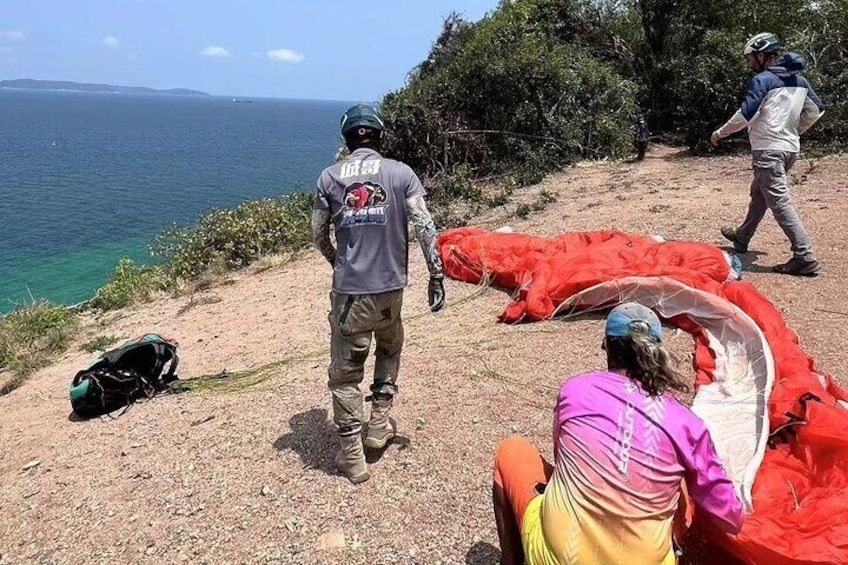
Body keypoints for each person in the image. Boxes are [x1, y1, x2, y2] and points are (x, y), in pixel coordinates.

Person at [491, 302, 744, 565]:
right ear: (656, 352)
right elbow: (730, 517)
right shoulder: (685, 423)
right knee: (681, 484)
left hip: (556, 558)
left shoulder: (575, 390)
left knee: (511, 450)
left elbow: (562, 457)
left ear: (607, 346)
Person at [312, 103, 446, 484]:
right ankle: (379, 425)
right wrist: (436, 275)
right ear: (379, 134)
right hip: (391, 291)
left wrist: (338, 261)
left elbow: (319, 234)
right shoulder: (401, 173)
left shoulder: (329, 178)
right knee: (389, 348)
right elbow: (424, 226)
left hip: (351, 293)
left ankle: (353, 455)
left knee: (345, 374)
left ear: (347, 137)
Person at [711, 32, 825, 276]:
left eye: (750, 57)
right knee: (759, 192)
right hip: (789, 148)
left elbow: (745, 114)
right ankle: (742, 236)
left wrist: (719, 133)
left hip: (769, 150)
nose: (748, 62)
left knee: (779, 202)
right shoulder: (800, 81)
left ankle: (804, 256)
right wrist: (793, 130)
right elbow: (817, 110)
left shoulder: (763, 80)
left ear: (762, 55)